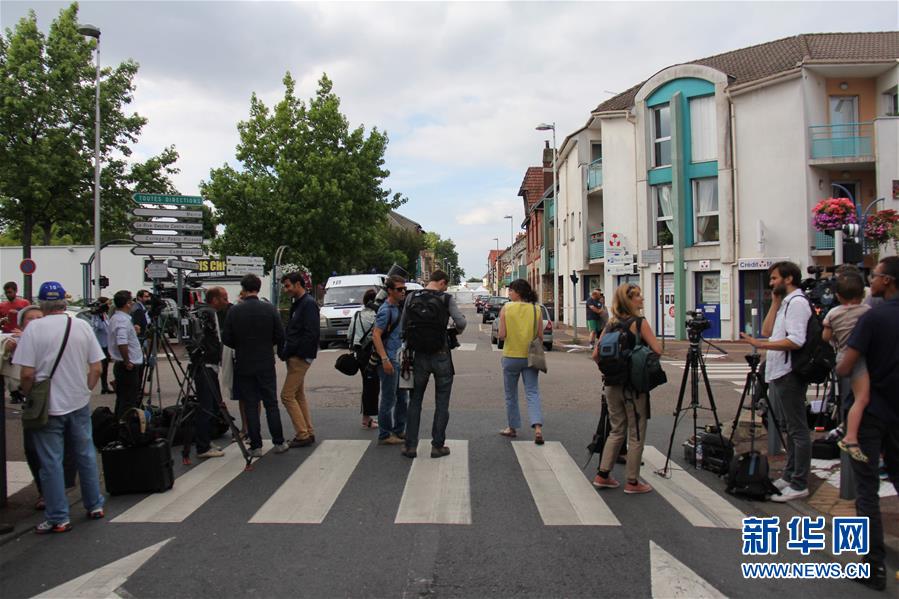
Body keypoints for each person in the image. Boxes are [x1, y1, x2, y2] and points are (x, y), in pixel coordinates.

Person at [12, 281, 105, 534]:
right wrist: (85, 389)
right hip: (78, 400)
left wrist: (30, 394)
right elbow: (96, 367)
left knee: (51, 461)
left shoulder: (34, 330)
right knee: (85, 453)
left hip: (48, 406)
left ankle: (58, 517)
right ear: (64, 301)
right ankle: (94, 504)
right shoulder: (81, 326)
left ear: (42, 303)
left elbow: (27, 374)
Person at [836, 256, 899, 592]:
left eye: (874, 276)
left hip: (872, 413)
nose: (869, 281)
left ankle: (873, 567)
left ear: (887, 281)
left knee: (867, 491)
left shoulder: (874, 319)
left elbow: (847, 366)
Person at [738, 261, 811, 502]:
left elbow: (796, 340)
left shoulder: (798, 303)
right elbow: (768, 330)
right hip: (778, 372)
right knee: (787, 427)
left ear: (788, 279)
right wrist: (775, 301)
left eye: (774, 278)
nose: (771, 283)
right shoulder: (786, 303)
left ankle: (799, 482)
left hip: (789, 372)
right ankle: (790, 476)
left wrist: (760, 345)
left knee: (797, 429)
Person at [590, 283, 662, 494]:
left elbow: (596, 355)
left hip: (612, 384)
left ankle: (603, 475)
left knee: (616, 429)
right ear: (629, 301)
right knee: (636, 433)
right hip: (633, 387)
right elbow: (657, 349)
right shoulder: (639, 323)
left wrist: (613, 368)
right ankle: (632, 481)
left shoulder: (611, 324)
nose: (641, 299)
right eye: (637, 296)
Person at [399, 270, 466, 459]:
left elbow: (403, 326)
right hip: (441, 354)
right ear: (442, 282)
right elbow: (461, 322)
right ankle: (437, 446)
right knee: (442, 402)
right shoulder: (446, 298)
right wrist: (455, 331)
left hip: (418, 355)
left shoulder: (412, 296)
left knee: (415, 401)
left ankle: (410, 446)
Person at [223, 274, 289, 457]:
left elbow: (227, 338)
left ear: (243, 289)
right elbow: (280, 335)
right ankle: (279, 442)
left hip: (244, 362)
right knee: (271, 404)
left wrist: (241, 345)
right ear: (258, 288)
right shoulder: (269, 309)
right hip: (265, 362)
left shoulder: (235, 311)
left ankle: (256, 445)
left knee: (251, 405)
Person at [820, 272, 870, 462]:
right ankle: (849, 433)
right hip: (858, 357)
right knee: (862, 398)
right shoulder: (867, 311)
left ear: (838, 296)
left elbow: (825, 337)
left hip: (841, 356)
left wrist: (836, 339)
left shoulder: (833, 313)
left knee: (846, 396)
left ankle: (845, 424)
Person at [497, 279, 545, 444]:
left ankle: (512, 428)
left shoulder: (507, 308)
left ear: (518, 292)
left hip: (511, 355)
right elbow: (540, 336)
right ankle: (537, 428)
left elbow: (502, 335)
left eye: (511, 291)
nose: (509, 294)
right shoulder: (536, 309)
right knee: (532, 392)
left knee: (511, 395)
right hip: (530, 357)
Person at [279, 271, 319, 448]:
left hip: (299, 356)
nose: (286, 289)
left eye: (288, 285)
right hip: (298, 354)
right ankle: (307, 431)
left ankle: (302, 434)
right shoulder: (301, 303)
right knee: (297, 395)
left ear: (298, 284)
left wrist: (296, 352)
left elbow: (310, 333)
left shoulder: (307, 304)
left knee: (286, 396)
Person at [191, 288, 228, 459]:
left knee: (211, 404)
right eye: (224, 298)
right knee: (206, 406)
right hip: (206, 365)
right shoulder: (208, 313)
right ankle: (203, 446)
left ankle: (205, 440)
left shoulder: (204, 312)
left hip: (207, 364)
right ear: (214, 300)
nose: (226, 301)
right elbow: (211, 339)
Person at [372, 275, 408, 446]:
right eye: (399, 289)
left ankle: (399, 429)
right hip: (389, 359)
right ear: (390, 291)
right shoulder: (386, 310)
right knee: (388, 398)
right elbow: (376, 335)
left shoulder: (398, 307)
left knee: (403, 397)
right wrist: (384, 359)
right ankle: (385, 434)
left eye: (404, 289)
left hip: (399, 357)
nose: (403, 292)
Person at [108, 290, 144, 417]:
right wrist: (127, 361)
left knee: (123, 399)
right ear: (128, 304)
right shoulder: (122, 320)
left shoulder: (117, 318)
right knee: (129, 401)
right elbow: (121, 342)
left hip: (122, 364)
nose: (133, 303)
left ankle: (119, 426)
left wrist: (133, 331)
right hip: (128, 365)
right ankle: (126, 429)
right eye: (132, 301)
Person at [347, 288, 379, 429]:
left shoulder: (357, 315)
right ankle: (369, 418)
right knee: (373, 386)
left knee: (367, 385)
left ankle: (367, 417)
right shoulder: (377, 316)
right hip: (372, 354)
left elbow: (350, 335)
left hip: (360, 354)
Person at [90, 297, 112, 394]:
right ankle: (103, 386)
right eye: (107, 304)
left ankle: (105, 386)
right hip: (100, 345)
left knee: (106, 366)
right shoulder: (97, 316)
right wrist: (101, 318)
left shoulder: (104, 314)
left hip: (106, 344)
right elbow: (101, 327)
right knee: (101, 367)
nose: (109, 306)